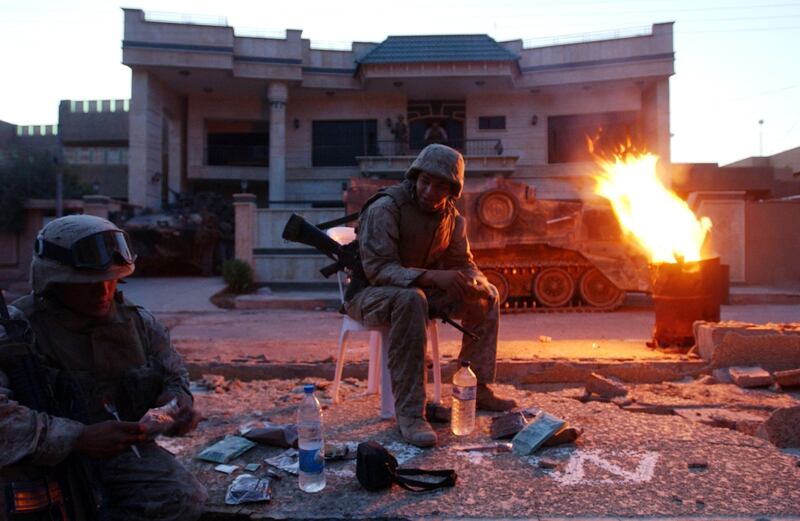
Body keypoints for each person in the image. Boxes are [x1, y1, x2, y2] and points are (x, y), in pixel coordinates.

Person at [0, 214, 207, 520]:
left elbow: (175, 381)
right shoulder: (16, 332)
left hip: (117, 455)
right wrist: (78, 438)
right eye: (87, 284)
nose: (103, 293)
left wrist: (172, 411)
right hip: (36, 459)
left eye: (111, 280)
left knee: (182, 498)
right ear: (54, 281)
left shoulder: (139, 324)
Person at [344, 144, 517, 448]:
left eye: (440, 185)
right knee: (412, 300)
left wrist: (474, 281)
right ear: (415, 176)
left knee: (486, 296)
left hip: (417, 291)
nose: (429, 190)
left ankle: (481, 386)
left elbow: (462, 263)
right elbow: (378, 269)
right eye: (425, 181)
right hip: (369, 294)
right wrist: (433, 277)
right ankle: (410, 414)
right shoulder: (386, 207)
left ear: (453, 190)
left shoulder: (452, 218)